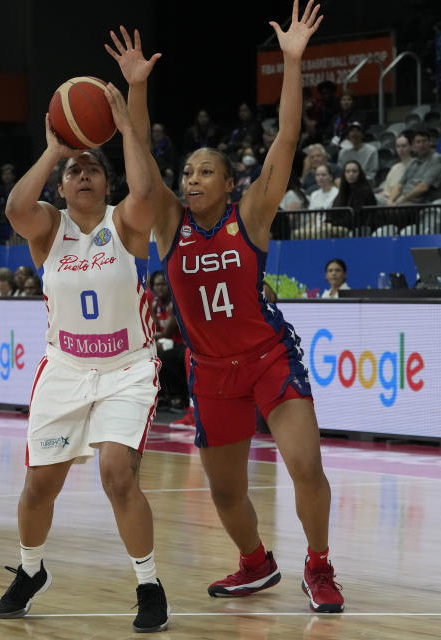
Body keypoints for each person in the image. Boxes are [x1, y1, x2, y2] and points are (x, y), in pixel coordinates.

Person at [123, 1, 344, 613]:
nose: (191, 179)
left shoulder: (250, 215)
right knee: (225, 492)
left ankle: (320, 567)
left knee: (306, 466)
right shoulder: (168, 222)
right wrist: (137, 87)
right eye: (187, 171)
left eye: (204, 172)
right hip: (210, 369)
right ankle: (255, 562)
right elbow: (139, 148)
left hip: (268, 357)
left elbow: (289, 137)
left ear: (227, 182)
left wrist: (292, 62)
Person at [0, 29, 169, 633]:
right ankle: (30, 566)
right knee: (39, 487)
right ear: (63, 187)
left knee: (117, 473)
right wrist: (53, 149)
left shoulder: (126, 222)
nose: (85, 175)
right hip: (65, 368)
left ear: (107, 180)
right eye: (75, 171)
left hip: (128, 367)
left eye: (93, 168)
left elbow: (146, 187)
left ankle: (148, 585)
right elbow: (16, 209)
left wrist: (126, 122)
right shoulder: (49, 227)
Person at [149, 270, 187, 410]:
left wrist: (147, 337)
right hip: (167, 344)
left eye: (163, 284)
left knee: (161, 356)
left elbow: (166, 333)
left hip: (182, 346)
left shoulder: (174, 304)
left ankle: (178, 396)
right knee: (150, 353)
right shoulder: (155, 304)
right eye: (157, 285)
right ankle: (164, 395)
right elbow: (154, 329)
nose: (160, 288)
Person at [389, 129, 441, 204]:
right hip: (406, 199)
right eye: (418, 142)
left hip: (422, 202)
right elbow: (400, 185)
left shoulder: (436, 159)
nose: (421, 145)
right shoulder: (413, 162)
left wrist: (401, 201)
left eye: (424, 141)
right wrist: (390, 201)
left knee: (392, 211)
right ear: (413, 145)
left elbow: (423, 187)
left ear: (430, 142)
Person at [376, 134, 412, 204]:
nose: (401, 149)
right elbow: (386, 189)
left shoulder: (416, 165)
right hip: (389, 200)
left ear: (411, 147)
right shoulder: (394, 168)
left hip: (404, 201)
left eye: (404, 146)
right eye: (398, 146)